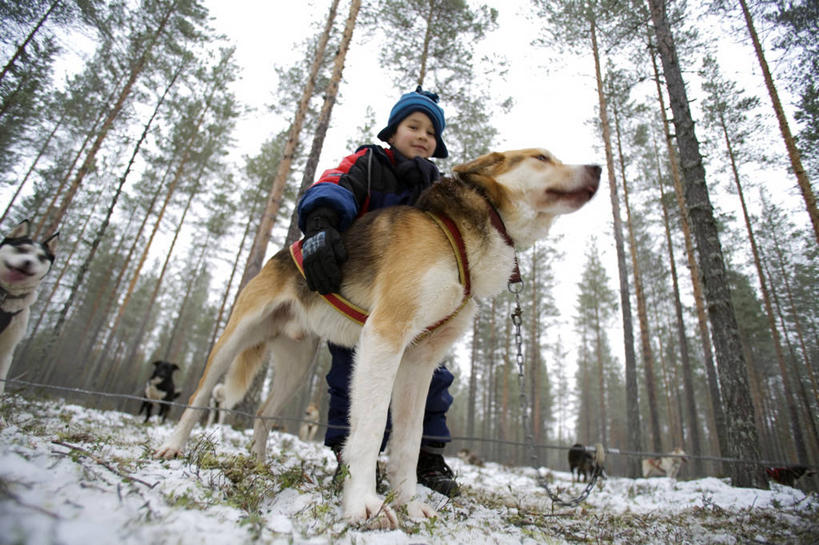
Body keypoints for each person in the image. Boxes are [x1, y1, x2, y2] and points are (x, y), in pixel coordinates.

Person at [295, 86, 459, 497]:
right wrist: (321, 223)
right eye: (413, 126)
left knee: (431, 374)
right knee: (349, 370)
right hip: (360, 292)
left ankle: (425, 456)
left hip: (415, 299)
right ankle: (348, 455)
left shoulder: (438, 187)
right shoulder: (368, 163)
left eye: (431, 133)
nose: (422, 136)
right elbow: (334, 185)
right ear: (392, 132)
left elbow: (458, 231)